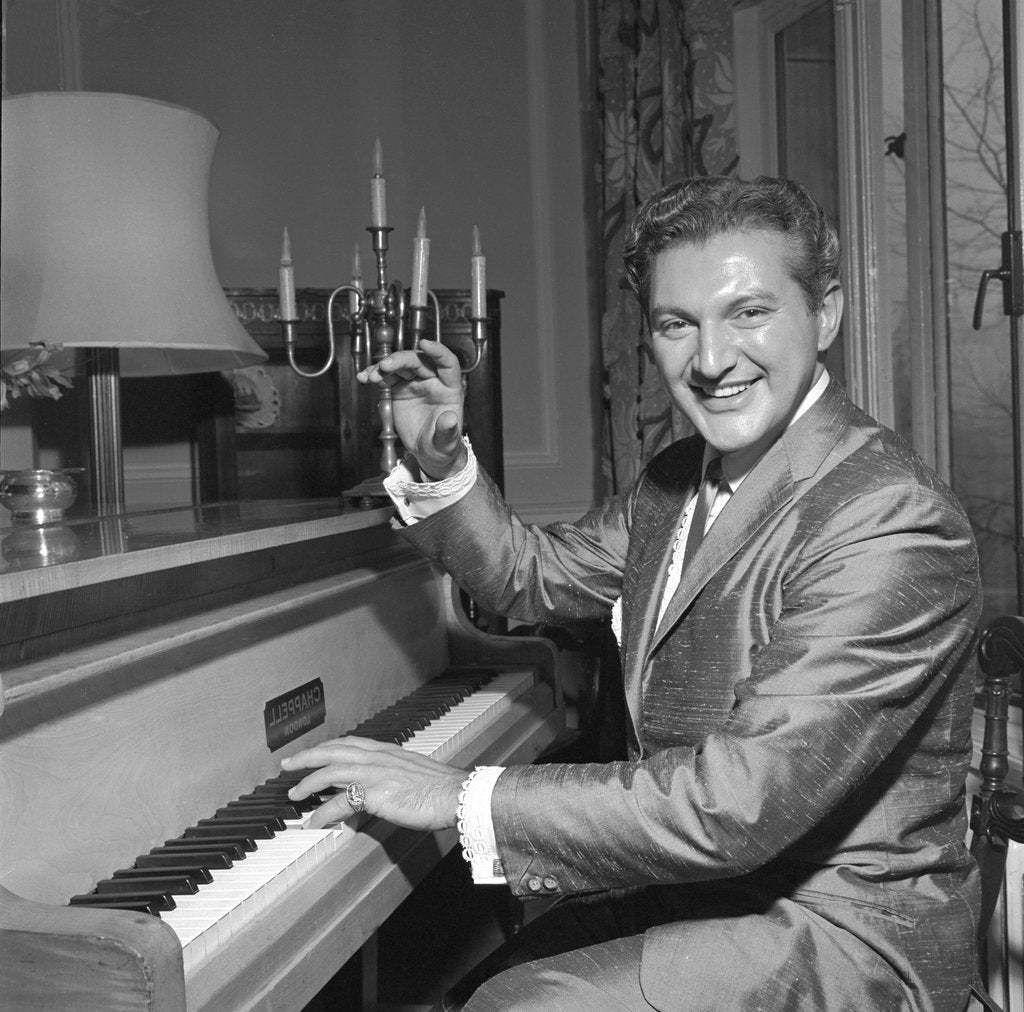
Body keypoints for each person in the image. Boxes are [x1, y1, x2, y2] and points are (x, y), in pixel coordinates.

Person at [282, 176, 982, 1011]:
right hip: (705, 890)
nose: (713, 361)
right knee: (453, 983)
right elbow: (528, 576)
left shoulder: (887, 516)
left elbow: (735, 806)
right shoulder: (674, 481)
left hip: (841, 933)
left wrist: (453, 793)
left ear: (825, 314)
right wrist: (438, 458)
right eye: (676, 324)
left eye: (749, 313)